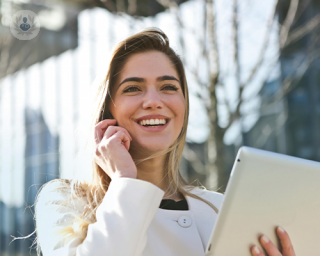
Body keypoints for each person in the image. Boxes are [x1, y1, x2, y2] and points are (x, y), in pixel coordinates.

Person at [35, 28, 296, 256]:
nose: (153, 101)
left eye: (168, 87)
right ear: (107, 111)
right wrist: (125, 180)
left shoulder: (221, 209)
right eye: (133, 88)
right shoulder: (63, 202)